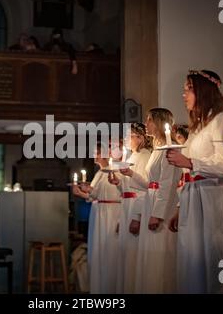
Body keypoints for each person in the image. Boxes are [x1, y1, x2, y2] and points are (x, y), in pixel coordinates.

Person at [166, 70, 223, 294]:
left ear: (203, 91)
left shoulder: (222, 118)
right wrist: (179, 207)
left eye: (188, 89)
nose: (183, 94)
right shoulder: (197, 127)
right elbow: (188, 169)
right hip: (193, 200)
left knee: (217, 258)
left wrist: (189, 161)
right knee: (195, 261)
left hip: (214, 199)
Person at [125, 108, 180, 293]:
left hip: (162, 206)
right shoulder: (157, 150)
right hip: (151, 201)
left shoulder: (169, 149)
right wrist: (131, 173)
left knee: (161, 254)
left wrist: (158, 215)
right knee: (150, 255)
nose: (146, 123)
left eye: (149, 120)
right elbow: (149, 184)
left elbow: (168, 184)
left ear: (159, 122)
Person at [107, 123, 151, 293]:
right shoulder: (132, 156)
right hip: (126, 206)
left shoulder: (146, 156)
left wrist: (137, 216)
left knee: (134, 253)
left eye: (129, 136)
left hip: (136, 206)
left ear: (140, 137)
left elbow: (145, 187)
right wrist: (118, 183)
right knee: (126, 253)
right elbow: (126, 188)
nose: (126, 140)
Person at [72, 143, 121, 293]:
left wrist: (89, 191)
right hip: (98, 213)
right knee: (97, 251)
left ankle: (108, 287)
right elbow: (93, 195)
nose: (94, 155)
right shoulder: (100, 172)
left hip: (111, 213)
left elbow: (112, 193)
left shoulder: (115, 170)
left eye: (97, 152)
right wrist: (81, 192)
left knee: (109, 251)